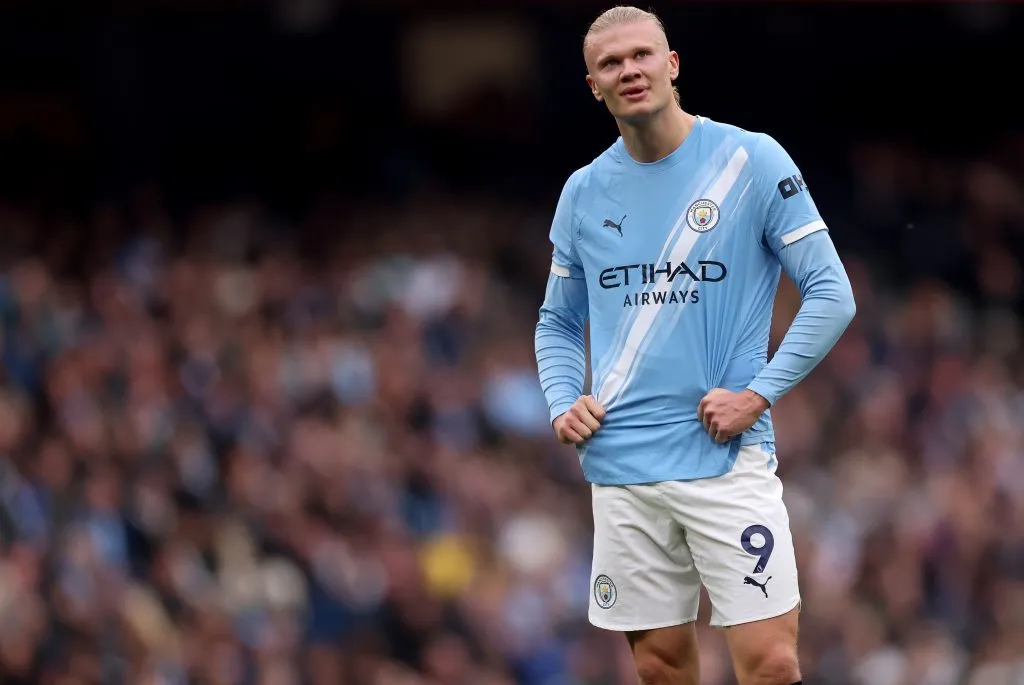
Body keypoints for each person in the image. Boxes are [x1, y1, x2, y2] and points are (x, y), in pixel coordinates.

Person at [533, 6, 856, 685]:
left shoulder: (751, 160)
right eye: (612, 64)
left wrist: (757, 395)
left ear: (671, 63)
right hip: (622, 467)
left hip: (726, 458)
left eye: (642, 55)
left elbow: (832, 292)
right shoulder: (583, 192)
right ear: (593, 85)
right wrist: (564, 401)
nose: (630, 71)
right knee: (659, 666)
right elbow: (558, 322)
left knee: (770, 661)